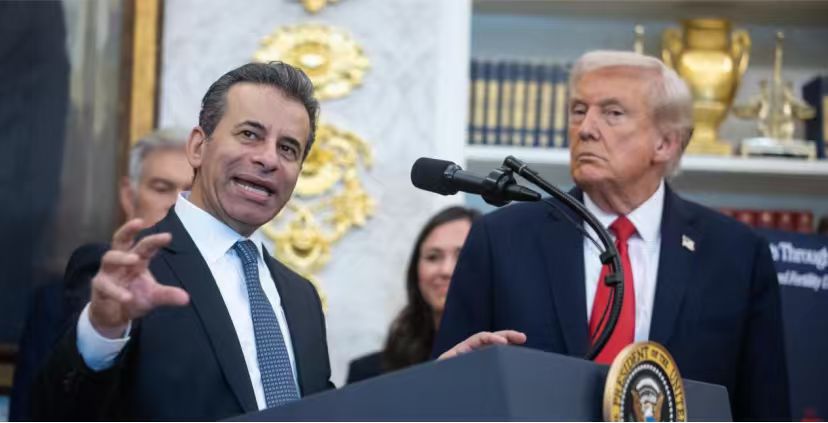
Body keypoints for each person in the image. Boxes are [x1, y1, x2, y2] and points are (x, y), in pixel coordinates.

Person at [433, 51, 790, 421]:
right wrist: (451, 376)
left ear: (665, 143)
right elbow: (444, 391)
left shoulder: (736, 254)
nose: (585, 128)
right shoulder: (501, 240)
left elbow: (765, 408)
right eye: (578, 110)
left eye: (613, 113)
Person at [32, 61, 333, 420]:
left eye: (288, 148)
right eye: (250, 134)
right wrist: (102, 332)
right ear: (198, 147)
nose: (269, 158)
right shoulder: (127, 272)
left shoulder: (302, 297)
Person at [9, 128, 193, 421]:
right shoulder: (57, 300)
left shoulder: (223, 295)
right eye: (161, 188)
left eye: (189, 192)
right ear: (128, 195)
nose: (176, 204)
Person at [347, 206, 480, 383]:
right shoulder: (369, 374)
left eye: (462, 256)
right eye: (433, 257)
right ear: (415, 270)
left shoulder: (511, 351)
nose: (446, 270)